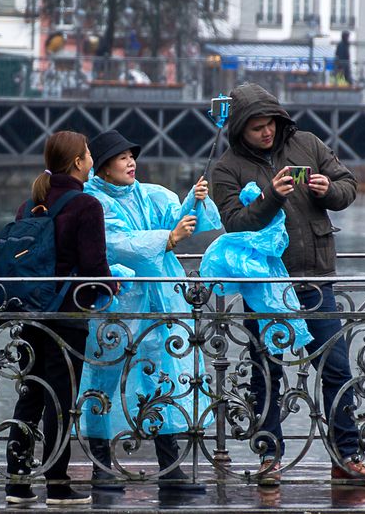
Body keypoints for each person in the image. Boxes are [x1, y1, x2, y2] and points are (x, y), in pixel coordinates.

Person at [210, 83, 365, 486]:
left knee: (335, 368)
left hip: (316, 279)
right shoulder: (226, 168)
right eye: (256, 129)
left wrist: (328, 189)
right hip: (264, 286)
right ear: (239, 131)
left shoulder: (307, 144)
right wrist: (270, 196)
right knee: (265, 372)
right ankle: (270, 457)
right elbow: (234, 222)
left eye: (270, 125)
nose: (266, 133)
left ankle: (347, 456)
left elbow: (347, 186)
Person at [81, 130, 221, 493]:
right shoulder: (94, 202)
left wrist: (194, 200)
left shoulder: (148, 193)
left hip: (161, 297)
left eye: (132, 155)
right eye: (122, 157)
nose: (131, 162)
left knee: (166, 373)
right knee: (105, 377)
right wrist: (168, 239)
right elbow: (117, 244)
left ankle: (169, 467)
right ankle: (100, 466)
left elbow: (176, 216)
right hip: (119, 301)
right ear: (104, 167)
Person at [4, 131, 113, 507]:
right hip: (66, 315)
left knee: (31, 393)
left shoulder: (29, 204)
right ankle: (58, 483)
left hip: (29, 313)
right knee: (61, 400)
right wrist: (112, 289)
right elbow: (95, 267)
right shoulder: (86, 205)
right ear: (79, 162)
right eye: (87, 154)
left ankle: (16, 482)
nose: (91, 160)